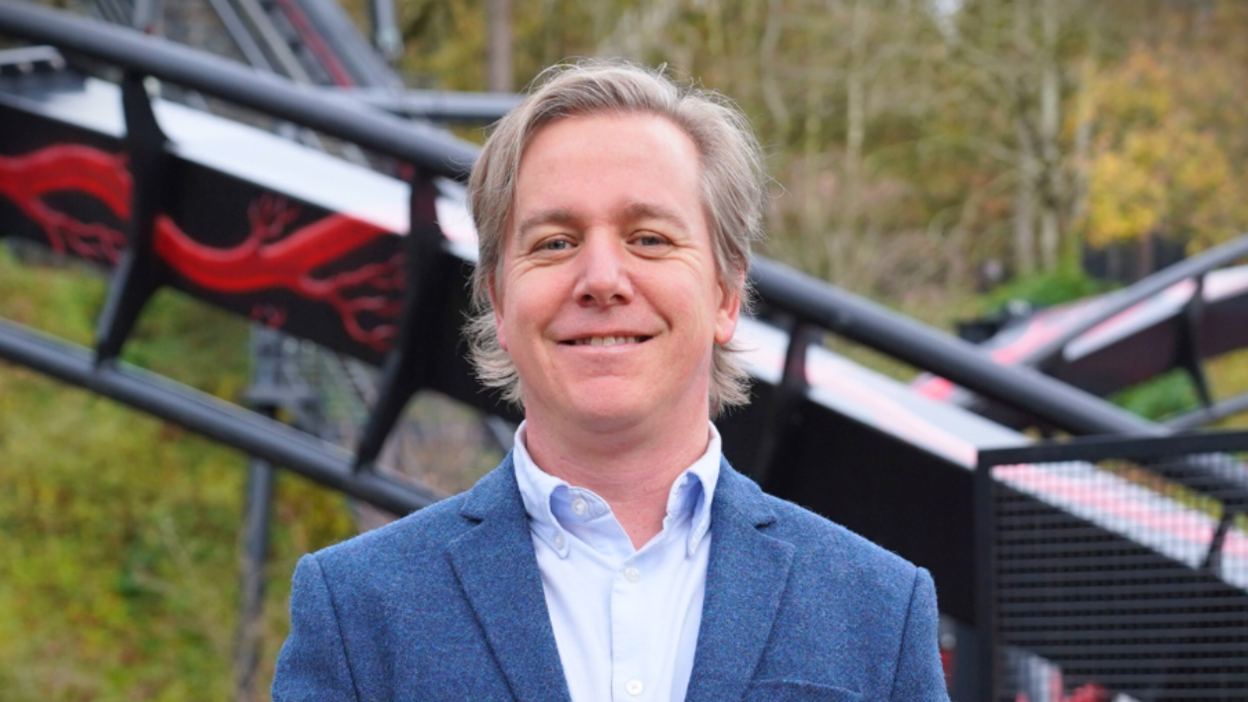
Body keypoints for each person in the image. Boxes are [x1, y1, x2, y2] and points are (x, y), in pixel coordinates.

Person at [272, 60, 950, 702]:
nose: (601, 279)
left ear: (725, 294)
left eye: (649, 238)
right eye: (555, 243)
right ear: (499, 302)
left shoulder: (877, 612)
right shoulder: (357, 611)